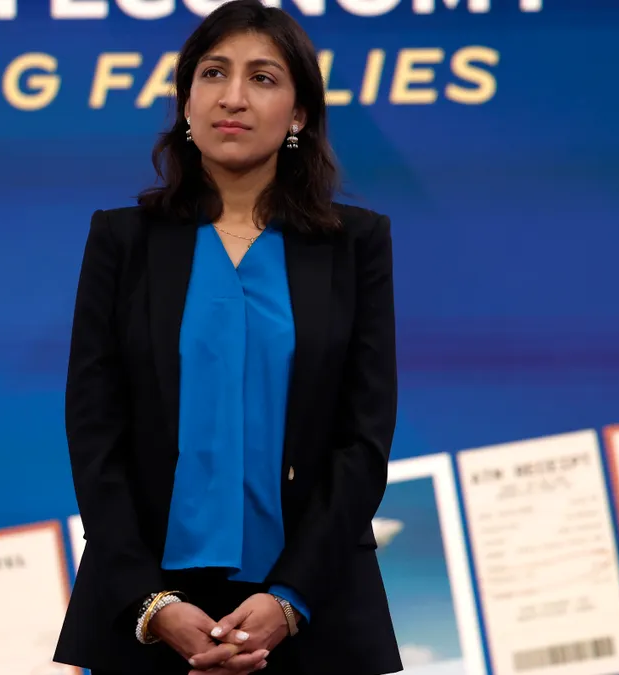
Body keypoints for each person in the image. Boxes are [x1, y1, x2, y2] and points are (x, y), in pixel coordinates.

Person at [51, 1, 402, 674]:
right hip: (149, 614)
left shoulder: (356, 244)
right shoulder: (121, 242)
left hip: (315, 607)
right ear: (186, 101)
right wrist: (152, 603)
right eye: (213, 73)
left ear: (299, 113)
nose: (232, 97)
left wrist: (291, 597)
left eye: (263, 78)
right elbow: (95, 436)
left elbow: (364, 436)